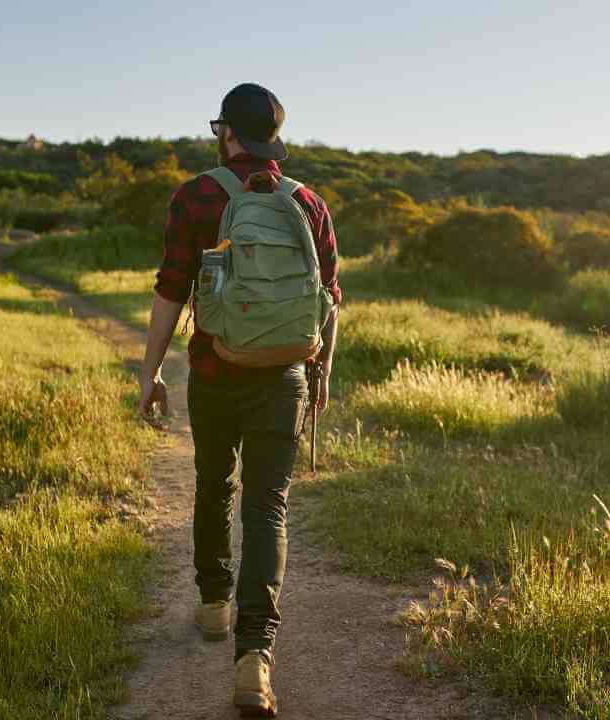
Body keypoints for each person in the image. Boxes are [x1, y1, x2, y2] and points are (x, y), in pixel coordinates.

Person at [138, 83, 341, 718]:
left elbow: (173, 289)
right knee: (268, 511)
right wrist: (323, 370)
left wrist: (149, 374)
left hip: (216, 369)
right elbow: (328, 296)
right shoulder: (307, 202)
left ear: (227, 133)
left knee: (212, 483)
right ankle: (256, 659)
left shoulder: (196, 195)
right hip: (286, 373)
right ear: (273, 138)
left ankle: (211, 605)